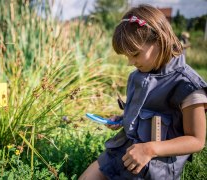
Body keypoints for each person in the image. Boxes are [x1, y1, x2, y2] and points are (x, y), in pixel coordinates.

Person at [79, 4, 207, 180]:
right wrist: (123, 119)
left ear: (159, 40)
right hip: (122, 152)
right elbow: (141, 113)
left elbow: (196, 141)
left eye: (136, 54)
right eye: (127, 56)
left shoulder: (187, 85)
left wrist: (150, 149)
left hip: (153, 167)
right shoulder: (137, 76)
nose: (131, 62)